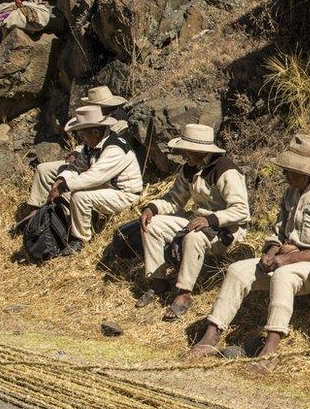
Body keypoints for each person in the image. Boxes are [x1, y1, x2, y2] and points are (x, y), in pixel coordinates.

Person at [187, 135, 310, 362]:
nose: (284, 174)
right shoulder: (291, 191)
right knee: (237, 271)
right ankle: (211, 335)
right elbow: (278, 231)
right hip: (285, 257)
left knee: (283, 276)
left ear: (305, 171)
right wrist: (270, 253)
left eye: (289, 170)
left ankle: (270, 348)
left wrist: (289, 260)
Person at [136, 124, 250, 321]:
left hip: (226, 229)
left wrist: (211, 219)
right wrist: (152, 208)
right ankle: (158, 280)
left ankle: (184, 292)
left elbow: (241, 211)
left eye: (186, 149)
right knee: (152, 225)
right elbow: (174, 199)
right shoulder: (189, 168)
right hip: (197, 221)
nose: (182, 154)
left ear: (200, 150)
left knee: (194, 237)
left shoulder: (225, 170)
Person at [22, 105, 143, 254]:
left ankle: (80, 240)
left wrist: (62, 187)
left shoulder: (114, 149)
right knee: (70, 194)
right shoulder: (92, 146)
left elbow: (94, 177)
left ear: (96, 131)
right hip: (107, 188)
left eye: (84, 133)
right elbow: (76, 167)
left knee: (80, 197)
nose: (81, 138)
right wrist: (60, 180)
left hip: (124, 194)